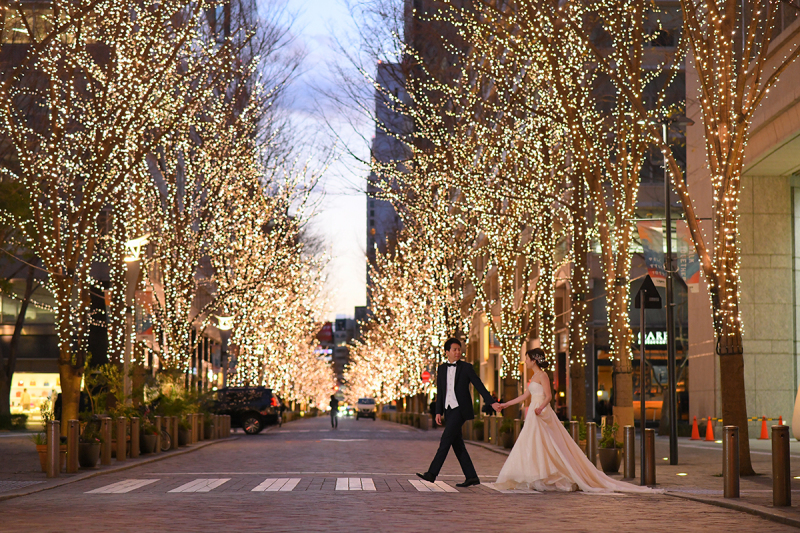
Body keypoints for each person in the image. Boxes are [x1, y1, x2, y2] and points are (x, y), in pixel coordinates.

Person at [491, 348, 656, 493]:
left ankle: (549, 475)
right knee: (532, 444)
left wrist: (541, 407)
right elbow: (525, 396)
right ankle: (537, 476)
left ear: (534, 360)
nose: (525, 361)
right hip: (534, 414)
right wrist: (504, 404)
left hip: (541, 413)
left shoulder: (543, 376)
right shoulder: (534, 377)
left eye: (527, 359)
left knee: (549, 445)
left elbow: (549, 396)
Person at [417, 338, 501, 487]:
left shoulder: (466, 367)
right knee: (457, 445)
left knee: (445, 440)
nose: (458, 352)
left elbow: (478, 385)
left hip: (460, 410)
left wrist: (492, 402)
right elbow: (441, 391)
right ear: (447, 352)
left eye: (459, 349)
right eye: (454, 349)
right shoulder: (442, 369)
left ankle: (432, 473)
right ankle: (471, 477)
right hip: (448, 410)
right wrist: (438, 411)